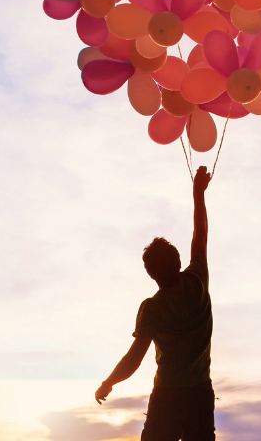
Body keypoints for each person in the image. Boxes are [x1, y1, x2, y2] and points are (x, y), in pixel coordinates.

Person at [95, 165, 214, 441]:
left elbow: (134, 359)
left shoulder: (153, 309)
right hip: (200, 394)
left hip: (168, 396)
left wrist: (109, 383)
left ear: (151, 274)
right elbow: (200, 233)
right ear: (179, 260)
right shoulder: (198, 280)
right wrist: (198, 193)